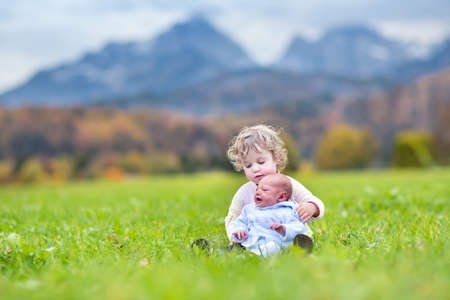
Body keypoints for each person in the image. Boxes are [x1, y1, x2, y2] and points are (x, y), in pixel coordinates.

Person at [225, 125, 324, 249]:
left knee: (297, 242)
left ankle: (301, 245)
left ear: (275, 159)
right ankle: (208, 250)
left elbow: (315, 201)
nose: (255, 169)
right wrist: (235, 235)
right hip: (257, 241)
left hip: (288, 237)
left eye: (261, 162)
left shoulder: (288, 184)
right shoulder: (245, 192)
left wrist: (312, 207)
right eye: (248, 165)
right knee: (237, 249)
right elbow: (232, 218)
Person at [231, 174, 311, 257]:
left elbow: (298, 226)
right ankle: (250, 253)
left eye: (264, 190)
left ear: (281, 196)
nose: (258, 192)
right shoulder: (249, 209)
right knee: (249, 248)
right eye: (257, 189)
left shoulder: (288, 210)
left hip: (278, 244)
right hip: (254, 242)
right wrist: (240, 230)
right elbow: (240, 222)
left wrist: (284, 229)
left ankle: (298, 249)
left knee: (274, 248)